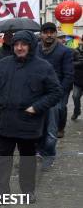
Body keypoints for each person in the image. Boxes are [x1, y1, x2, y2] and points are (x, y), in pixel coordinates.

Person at [0, 30, 61, 203]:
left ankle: (27, 191)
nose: (19, 48)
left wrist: (36, 107)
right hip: (4, 122)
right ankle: (0, 194)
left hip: (29, 124)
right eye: (16, 44)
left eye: (23, 44)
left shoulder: (43, 66)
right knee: (2, 160)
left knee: (27, 160)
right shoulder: (3, 63)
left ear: (31, 46)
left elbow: (55, 92)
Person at [35, 22, 74, 169]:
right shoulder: (35, 49)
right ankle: (38, 151)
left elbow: (69, 75)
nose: (49, 35)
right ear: (41, 34)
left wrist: (58, 95)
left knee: (51, 130)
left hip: (55, 95)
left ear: (56, 34)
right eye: (46, 32)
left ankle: (49, 156)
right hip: (37, 94)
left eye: (52, 32)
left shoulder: (65, 51)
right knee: (37, 126)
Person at [72, 44, 83, 121]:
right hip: (78, 80)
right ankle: (77, 111)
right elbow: (70, 62)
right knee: (75, 96)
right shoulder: (75, 51)